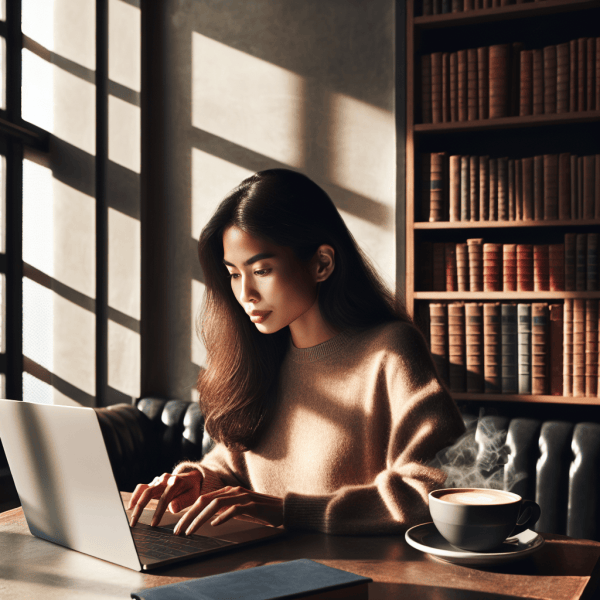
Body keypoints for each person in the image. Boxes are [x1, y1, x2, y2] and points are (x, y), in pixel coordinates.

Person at [128, 168, 466, 536]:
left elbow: (432, 488)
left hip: (360, 578)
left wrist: (290, 512)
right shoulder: (260, 354)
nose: (246, 295)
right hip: (260, 573)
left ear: (321, 263)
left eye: (261, 269)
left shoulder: (390, 351)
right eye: (234, 274)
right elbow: (237, 462)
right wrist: (199, 479)